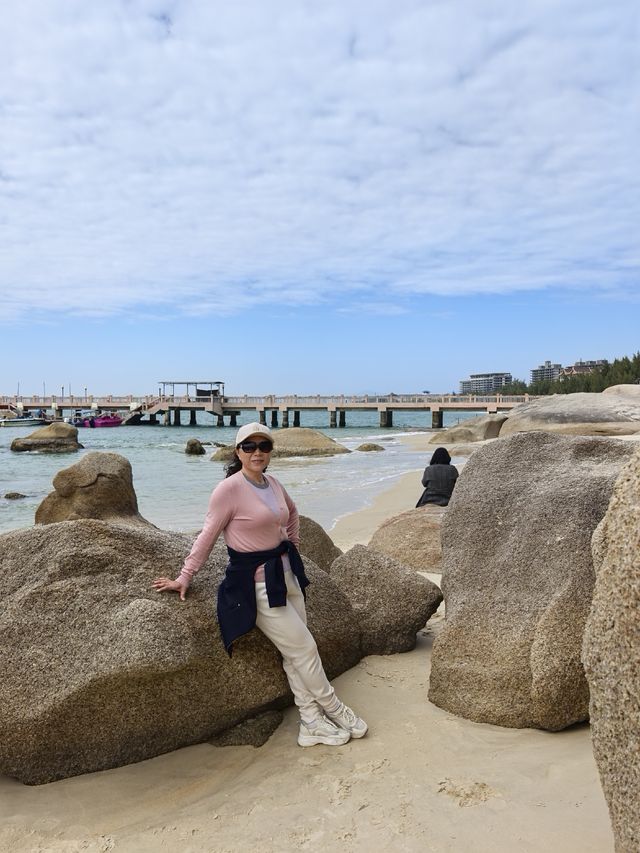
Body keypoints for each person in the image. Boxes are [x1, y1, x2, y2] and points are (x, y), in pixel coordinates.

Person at [153, 422, 368, 748]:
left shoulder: (273, 483)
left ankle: (310, 722)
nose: (257, 452)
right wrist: (185, 576)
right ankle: (334, 709)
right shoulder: (228, 490)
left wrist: (292, 544)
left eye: (263, 446)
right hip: (258, 584)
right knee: (305, 649)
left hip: (288, 576)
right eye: (249, 447)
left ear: (270, 452)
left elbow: (292, 513)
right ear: (238, 452)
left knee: (293, 652)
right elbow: (207, 536)